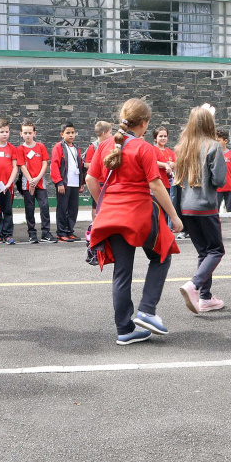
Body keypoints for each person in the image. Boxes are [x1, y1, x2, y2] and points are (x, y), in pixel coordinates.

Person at [86, 98, 182, 345]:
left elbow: (90, 179)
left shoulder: (105, 145)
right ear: (144, 123)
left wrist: (103, 204)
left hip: (112, 215)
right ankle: (147, 310)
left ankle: (125, 330)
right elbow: (156, 185)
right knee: (162, 255)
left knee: (122, 272)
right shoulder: (143, 147)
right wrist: (173, 216)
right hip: (139, 214)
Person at [175, 106, 227, 314]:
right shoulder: (214, 146)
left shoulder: (183, 147)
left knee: (204, 252)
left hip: (186, 207)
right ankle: (195, 285)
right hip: (206, 206)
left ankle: (205, 298)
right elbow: (219, 180)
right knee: (216, 250)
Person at [17, 119, 54, 243]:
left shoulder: (40, 146)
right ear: (21, 134)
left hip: (40, 183)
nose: (28, 135)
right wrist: (31, 181)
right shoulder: (20, 149)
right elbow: (22, 166)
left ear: (34, 133)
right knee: (29, 208)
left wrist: (37, 179)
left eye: (30, 133)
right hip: (27, 184)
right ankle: (32, 233)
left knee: (44, 207)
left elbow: (45, 163)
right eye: (25, 133)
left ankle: (46, 233)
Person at [51, 121, 84, 242]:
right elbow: (54, 165)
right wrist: (59, 182)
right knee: (62, 208)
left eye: (73, 133)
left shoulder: (76, 148)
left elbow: (80, 165)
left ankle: (70, 231)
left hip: (75, 183)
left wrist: (81, 183)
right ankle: (61, 232)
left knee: (73, 209)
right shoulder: (58, 147)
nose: (71, 135)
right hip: (64, 183)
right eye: (68, 133)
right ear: (62, 134)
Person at [0, 118, 18, 245]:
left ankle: (8, 235)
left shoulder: (12, 148)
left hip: (8, 187)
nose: (4, 134)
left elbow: (15, 167)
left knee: (8, 211)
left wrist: (8, 184)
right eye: (1, 132)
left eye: (7, 131)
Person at [84, 121, 113, 219]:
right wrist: (100, 164)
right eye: (110, 132)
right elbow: (87, 163)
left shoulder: (109, 145)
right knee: (96, 205)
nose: (111, 135)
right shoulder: (93, 147)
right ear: (104, 133)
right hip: (97, 181)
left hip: (105, 180)